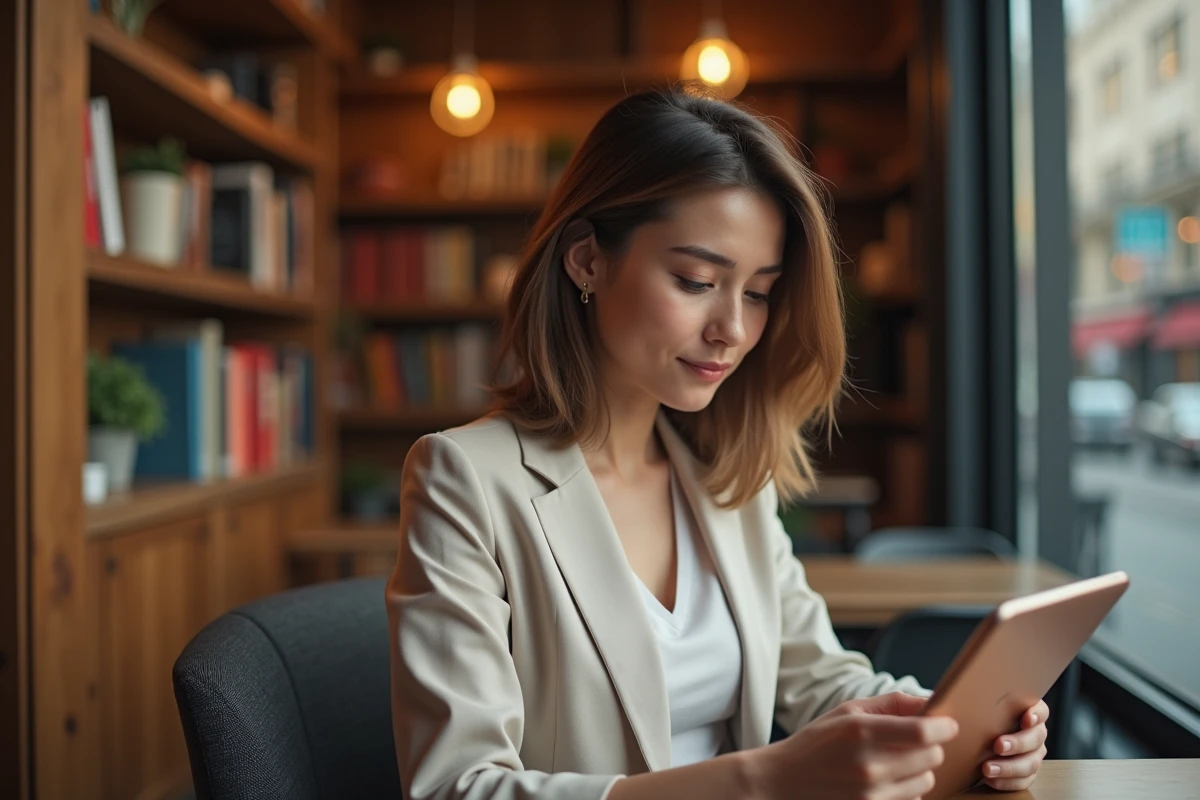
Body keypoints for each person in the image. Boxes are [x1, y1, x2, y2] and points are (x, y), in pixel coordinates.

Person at [386, 87, 1048, 800]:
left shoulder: (727, 475)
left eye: (759, 291)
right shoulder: (466, 478)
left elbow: (817, 674)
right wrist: (764, 779)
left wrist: (943, 723)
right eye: (696, 281)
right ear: (586, 261)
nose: (732, 328)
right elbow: (458, 787)